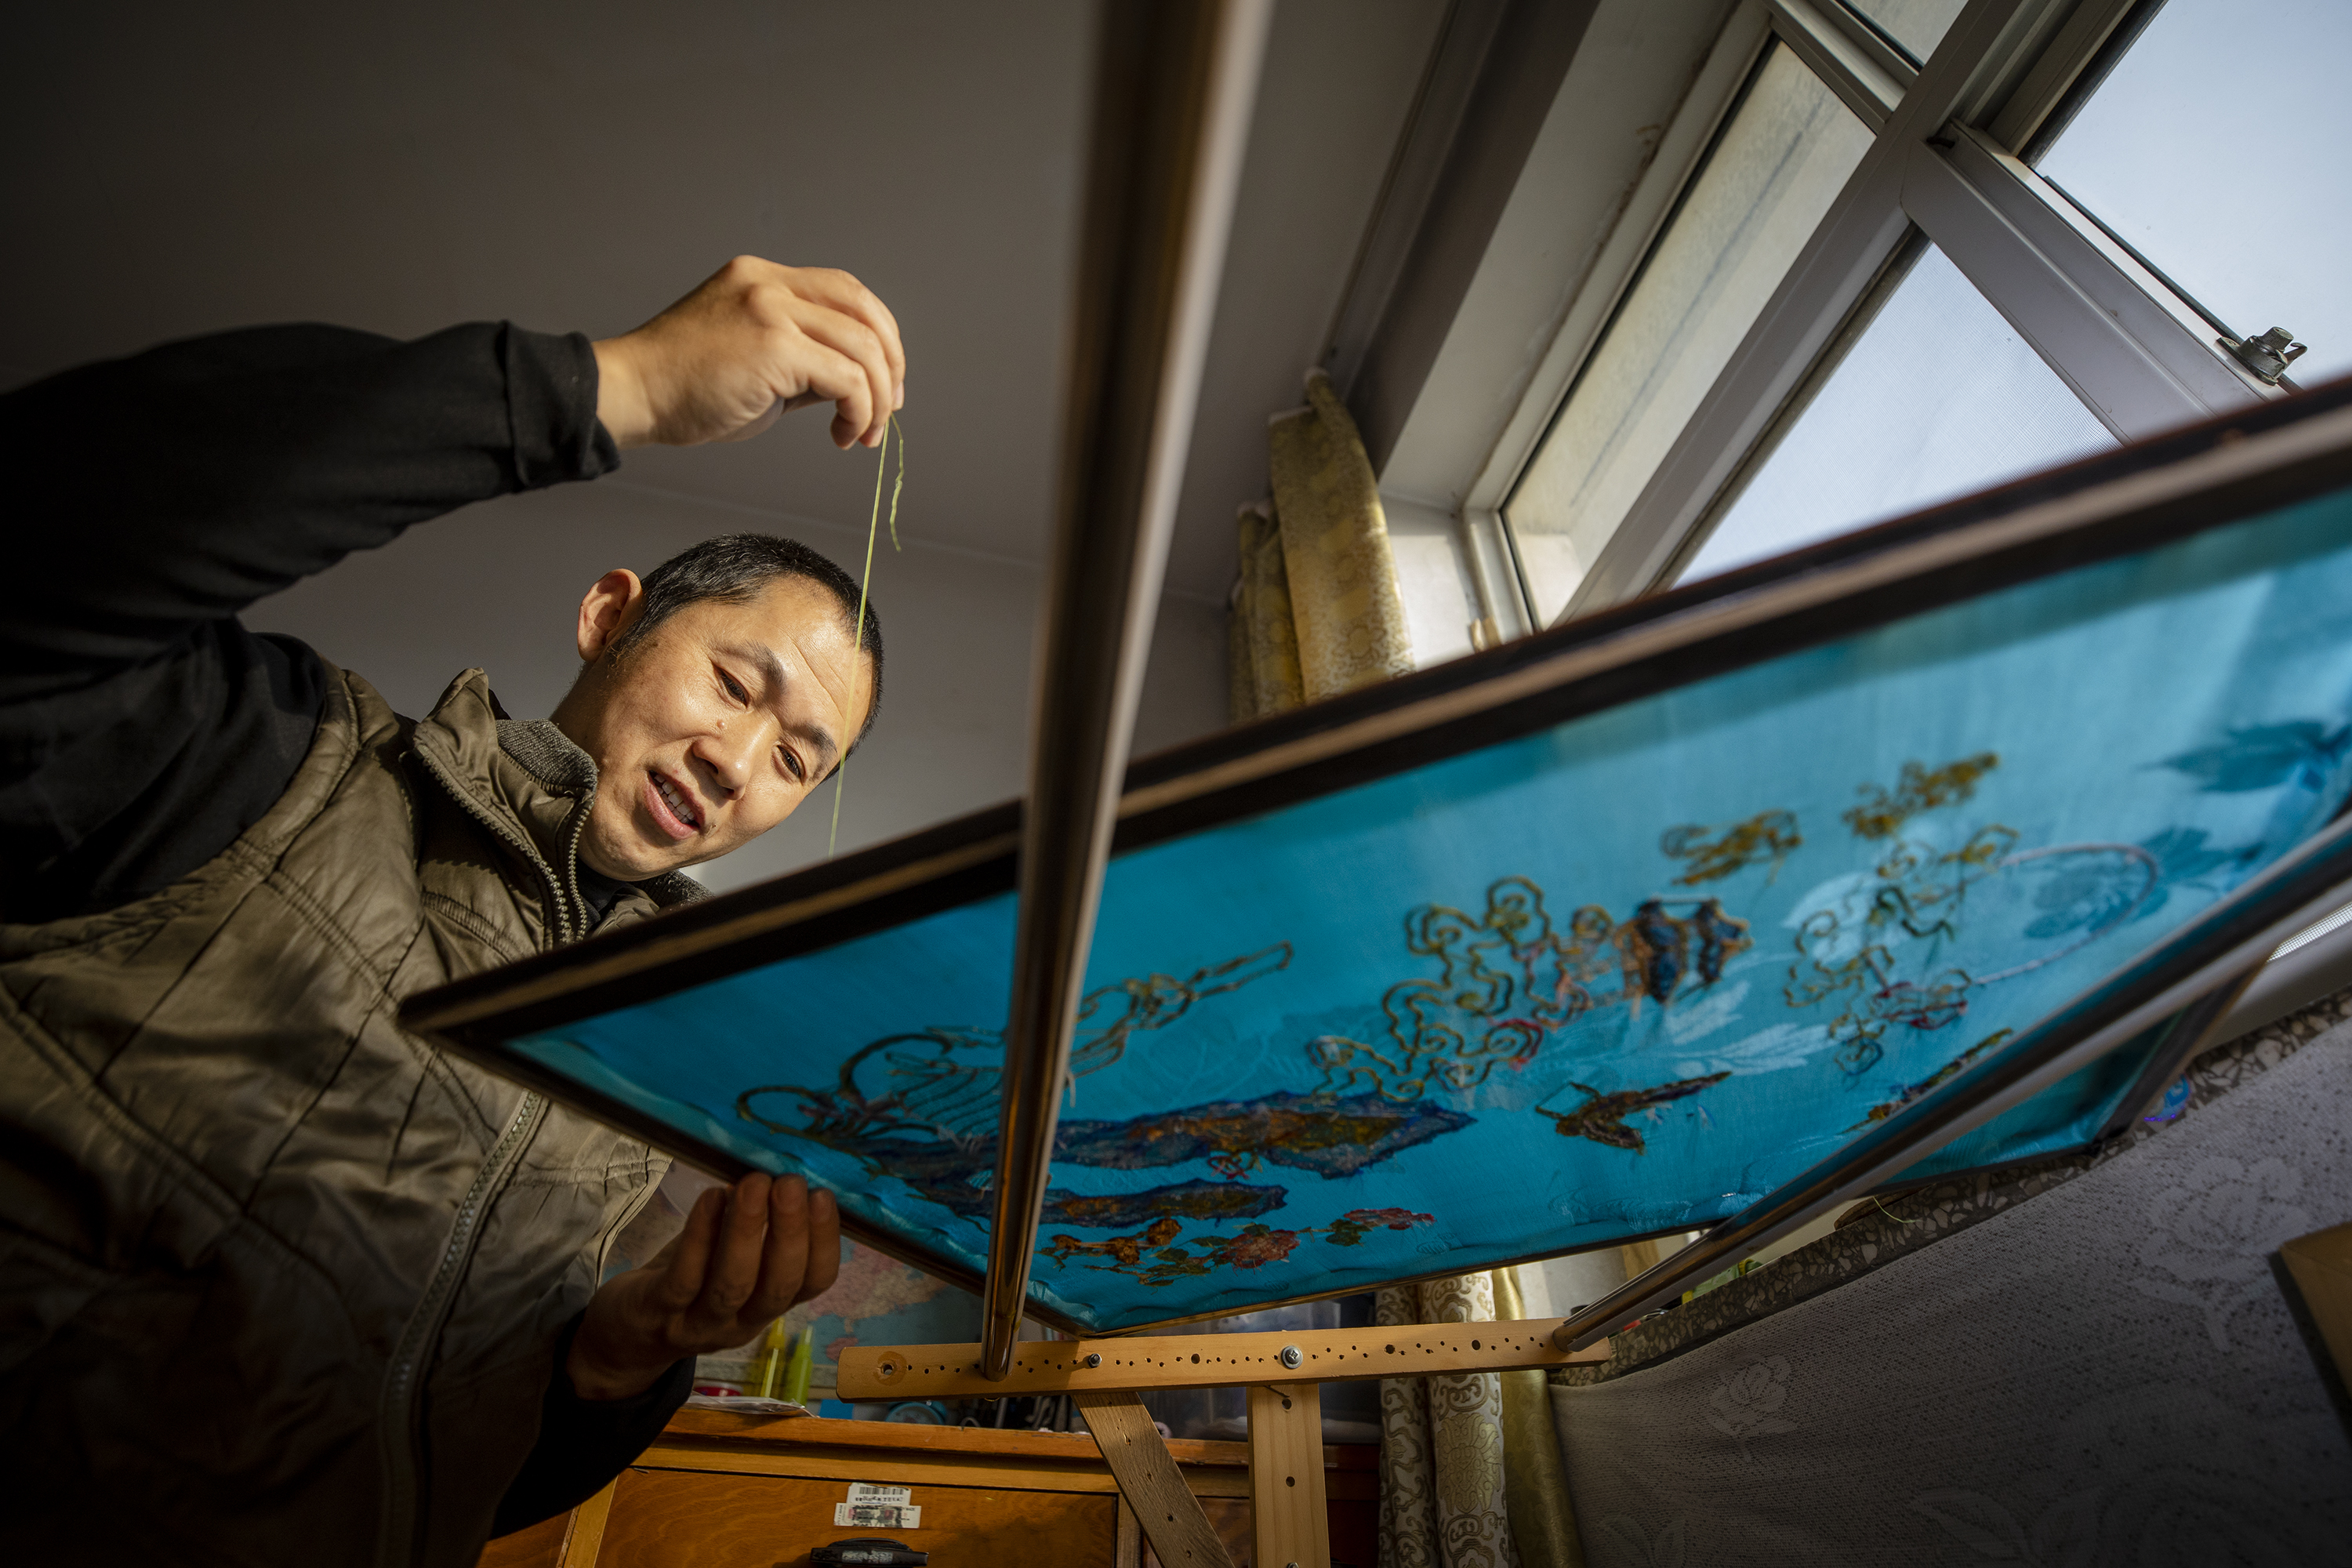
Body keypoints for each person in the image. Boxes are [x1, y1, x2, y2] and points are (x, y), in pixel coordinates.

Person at [0, 257, 907, 1565]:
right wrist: (613, 384)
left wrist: (621, 1356)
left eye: (796, 759)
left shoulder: (657, 1058)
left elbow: (455, 1462)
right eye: (732, 683)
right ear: (610, 617)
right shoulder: (276, 767)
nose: (736, 760)